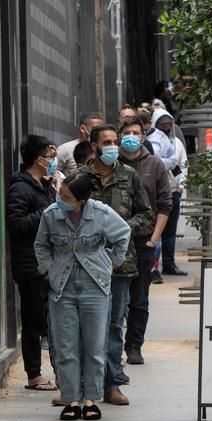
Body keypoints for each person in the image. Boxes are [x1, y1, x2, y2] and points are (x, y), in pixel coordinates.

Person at [34, 172, 131, 421]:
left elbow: (123, 234)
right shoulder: (51, 215)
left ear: (82, 201)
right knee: (66, 347)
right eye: (61, 193)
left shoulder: (101, 213)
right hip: (62, 287)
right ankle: (71, 398)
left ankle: (91, 398)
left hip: (95, 287)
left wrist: (112, 263)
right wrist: (48, 268)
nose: (61, 199)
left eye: (67, 197)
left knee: (94, 346)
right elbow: (41, 245)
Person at [78, 123, 152, 405]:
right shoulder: (80, 177)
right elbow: (68, 213)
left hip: (120, 265)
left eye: (114, 141)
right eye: (106, 142)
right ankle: (85, 385)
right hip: (85, 265)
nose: (112, 146)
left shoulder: (129, 176)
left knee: (112, 325)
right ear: (95, 146)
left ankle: (111, 384)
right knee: (87, 326)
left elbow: (145, 215)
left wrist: (122, 227)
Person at [6, 135, 59, 392]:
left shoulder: (43, 185)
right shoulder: (20, 188)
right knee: (33, 322)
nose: (53, 160)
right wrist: (48, 210)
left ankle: (57, 371)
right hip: (31, 265)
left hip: (48, 263)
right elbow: (16, 225)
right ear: (39, 159)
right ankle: (34, 374)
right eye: (50, 156)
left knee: (49, 320)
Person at [118, 116, 172, 365]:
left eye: (136, 132)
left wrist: (154, 239)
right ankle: (112, 347)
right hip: (113, 242)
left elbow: (164, 204)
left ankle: (134, 346)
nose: (131, 136)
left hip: (143, 241)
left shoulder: (155, 165)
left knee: (139, 298)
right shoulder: (110, 164)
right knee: (114, 298)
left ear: (143, 136)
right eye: (127, 132)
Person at [148, 108, 188, 277]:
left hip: (172, 192)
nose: (165, 128)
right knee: (153, 230)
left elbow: (183, 165)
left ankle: (169, 264)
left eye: (168, 124)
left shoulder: (176, 144)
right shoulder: (149, 142)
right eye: (161, 124)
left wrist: (180, 187)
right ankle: (152, 267)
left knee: (170, 231)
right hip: (153, 194)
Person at [56, 112, 105, 176]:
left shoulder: (103, 149)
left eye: (101, 129)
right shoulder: (65, 149)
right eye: (95, 129)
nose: (98, 132)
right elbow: (54, 174)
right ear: (82, 129)